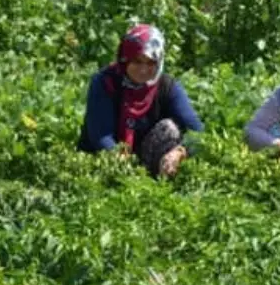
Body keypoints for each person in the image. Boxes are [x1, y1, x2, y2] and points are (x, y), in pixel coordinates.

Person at [78, 24, 204, 177]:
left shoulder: (167, 87)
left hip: (148, 159)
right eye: (137, 61)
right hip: (105, 161)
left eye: (151, 63)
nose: (143, 69)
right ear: (125, 59)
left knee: (170, 128)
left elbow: (197, 131)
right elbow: (100, 136)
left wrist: (180, 152)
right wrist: (122, 165)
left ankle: (156, 181)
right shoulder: (106, 83)